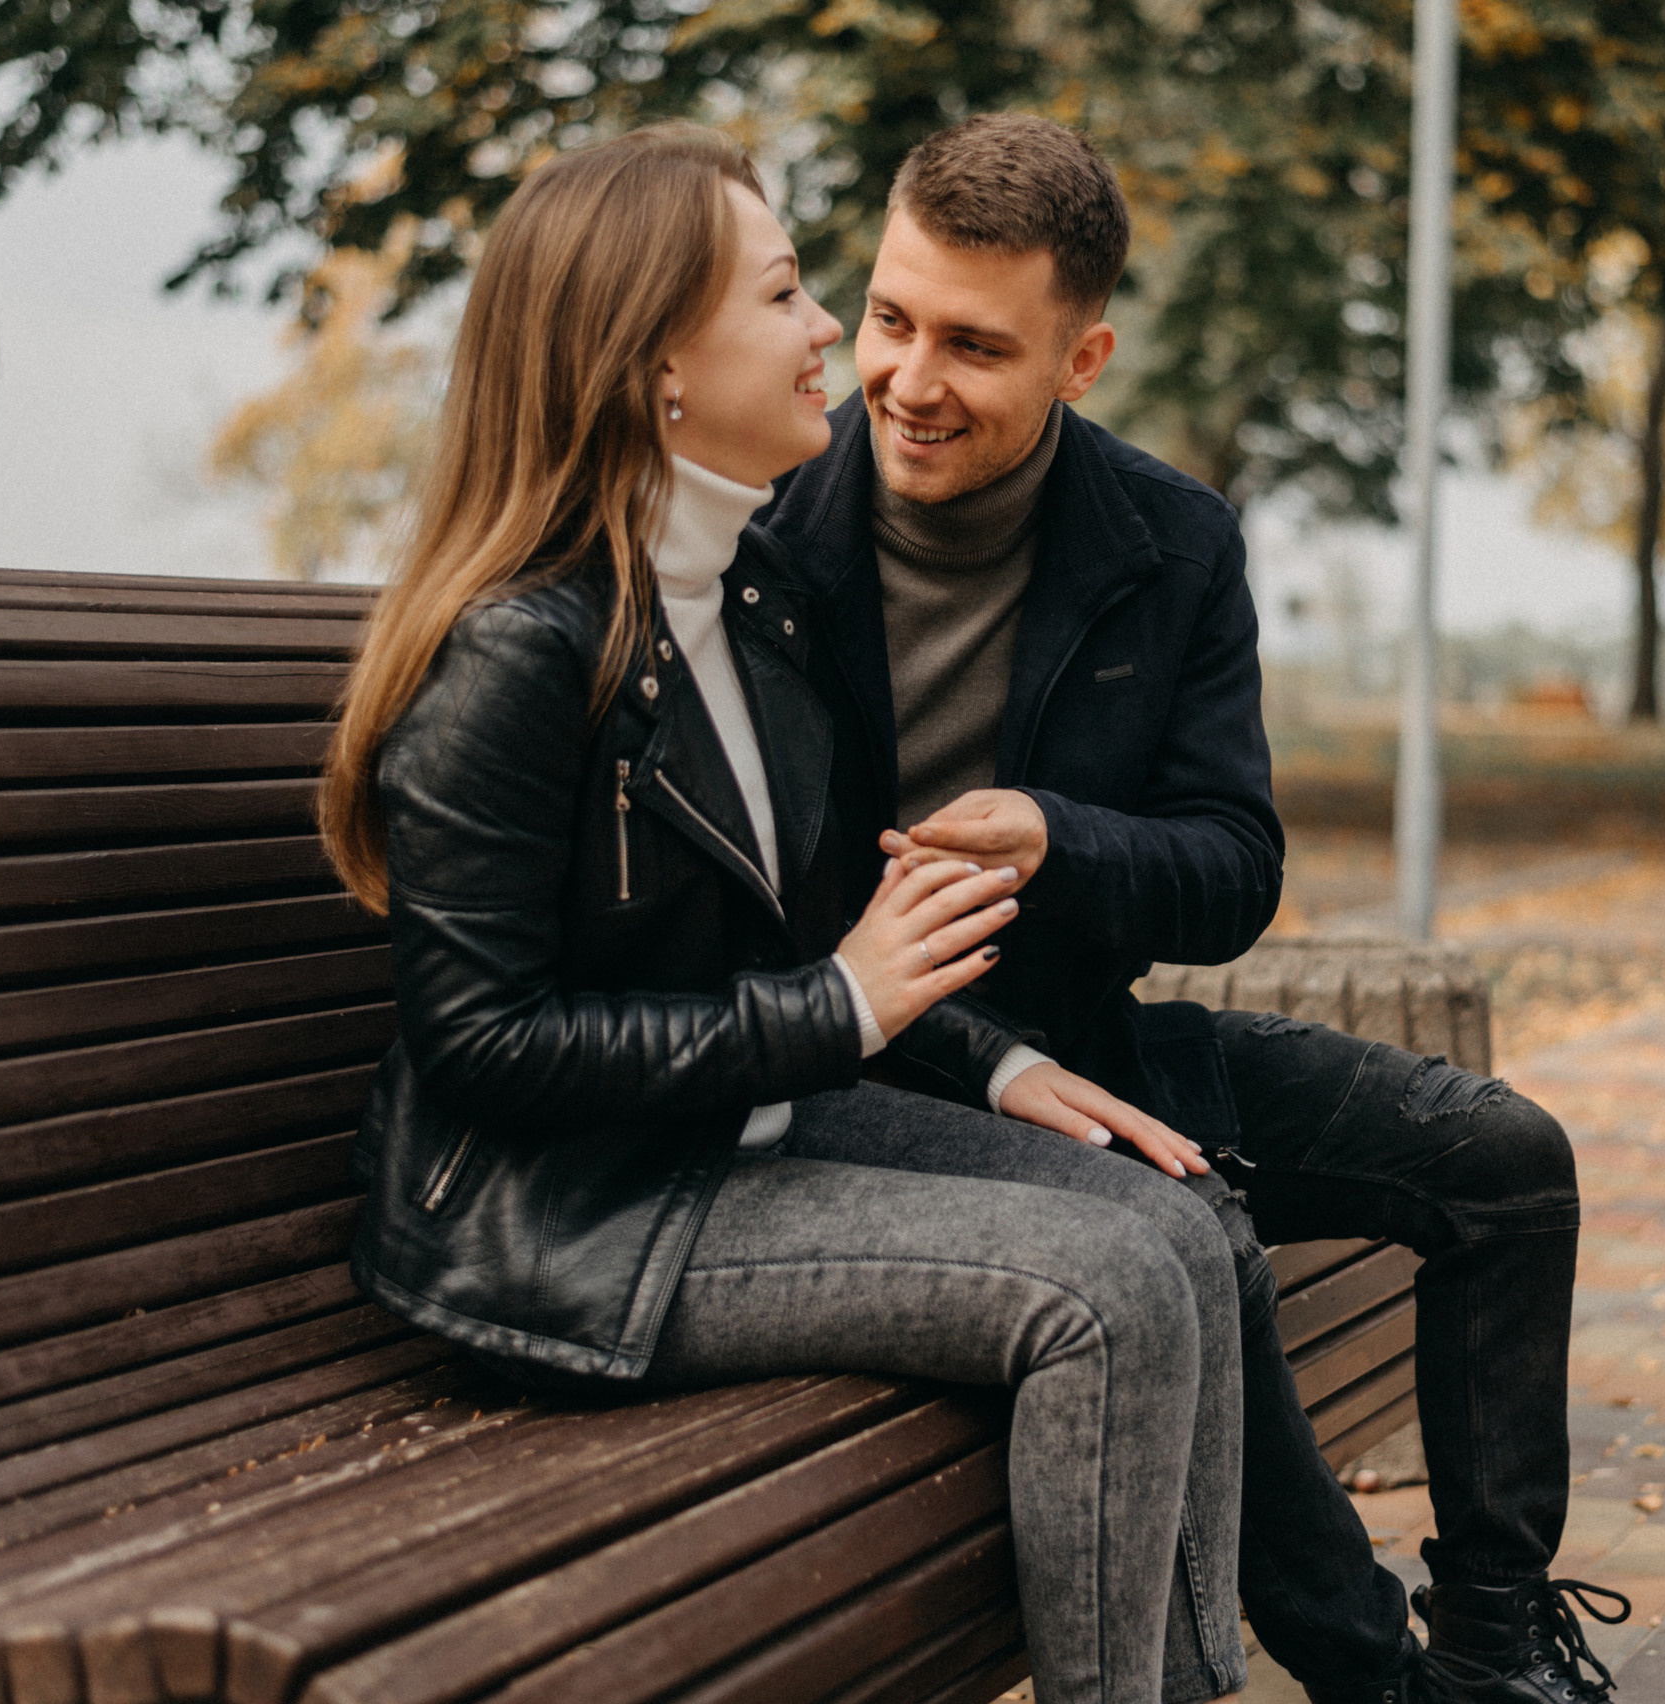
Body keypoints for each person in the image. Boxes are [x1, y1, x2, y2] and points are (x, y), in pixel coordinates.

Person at [320, 124, 1251, 1704]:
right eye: (788, 295)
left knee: (1190, 1223)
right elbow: (482, 1049)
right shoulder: (521, 656)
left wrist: (1001, 1068)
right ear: (657, 369)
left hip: (734, 1138)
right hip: (580, 1220)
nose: (834, 333)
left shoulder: (740, 600)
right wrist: (835, 1015)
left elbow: (817, 933)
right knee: (1103, 1297)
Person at [762, 114, 1629, 1704]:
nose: (907, 379)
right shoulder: (764, 534)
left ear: (1081, 356)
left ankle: (1500, 1640)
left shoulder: (1170, 544)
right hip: (880, 1088)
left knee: (1509, 1162)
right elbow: (762, 920)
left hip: (1109, 1049)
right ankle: (1389, 1686)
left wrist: (1054, 837)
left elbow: (1235, 868)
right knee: (1200, 1237)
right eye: (889, 319)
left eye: (975, 345)